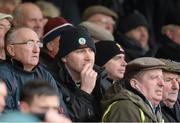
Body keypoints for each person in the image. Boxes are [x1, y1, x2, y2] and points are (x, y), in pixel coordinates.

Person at [0, 27, 66, 113]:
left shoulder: (45, 75)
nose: (36, 50)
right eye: (30, 43)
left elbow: (61, 111)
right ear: (11, 50)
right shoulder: (3, 75)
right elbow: (7, 117)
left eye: (38, 44)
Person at [56, 26, 107, 121]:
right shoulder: (53, 82)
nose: (88, 57)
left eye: (91, 50)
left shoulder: (101, 78)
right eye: (80, 51)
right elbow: (67, 119)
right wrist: (85, 92)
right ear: (64, 58)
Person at [101, 57, 165, 122]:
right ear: (134, 84)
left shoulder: (155, 110)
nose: (162, 84)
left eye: (162, 78)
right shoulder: (125, 108)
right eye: (154, 78)